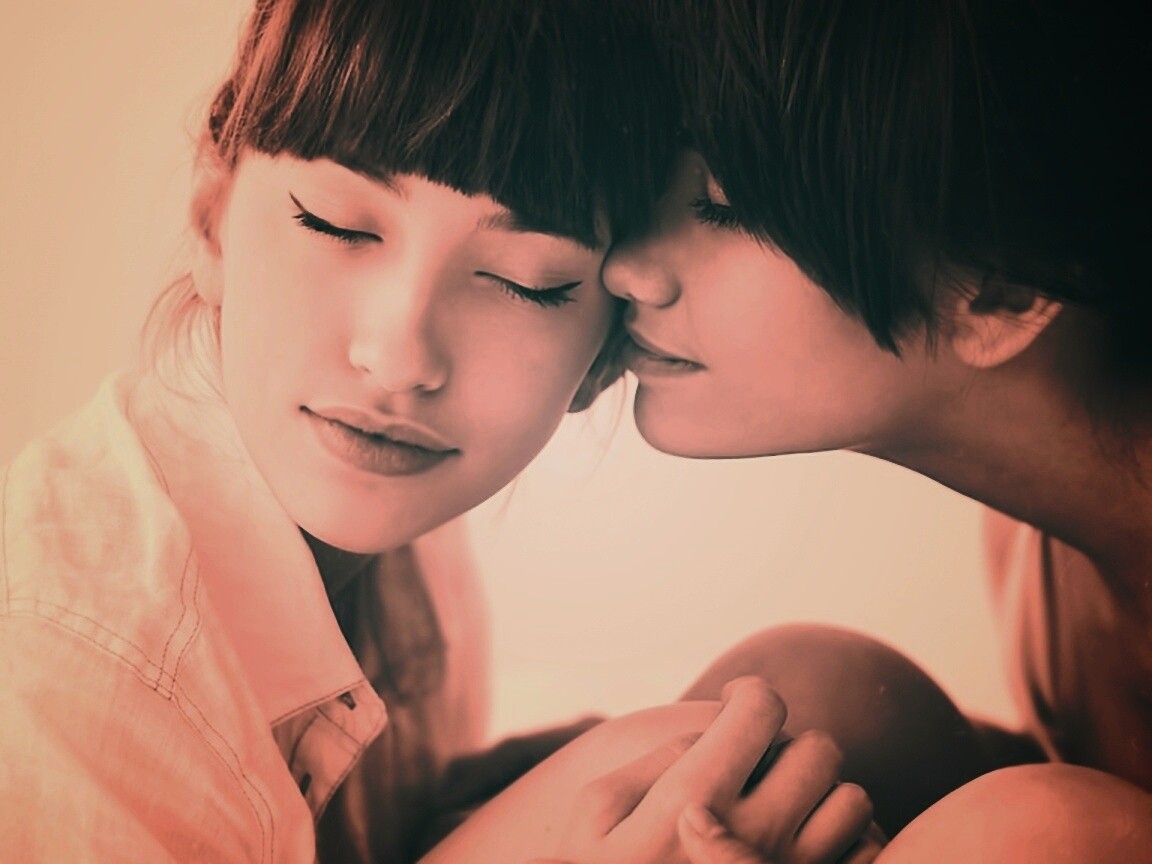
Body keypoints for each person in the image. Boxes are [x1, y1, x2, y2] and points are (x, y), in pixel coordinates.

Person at [0, 1, 882, 862]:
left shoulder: (405, 535)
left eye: (526, 283)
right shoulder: (74, 675)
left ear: (607, 355)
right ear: (211, 221)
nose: (399, 359)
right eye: (336, 224)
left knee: (825, 697)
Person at [593, 0, 1152, 859]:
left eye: (723, 206)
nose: (626, 268)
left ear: (1001, 290)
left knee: (1048, 833)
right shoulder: (1042, 539)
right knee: (813, 695)